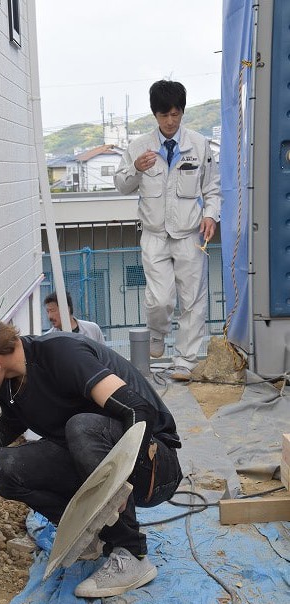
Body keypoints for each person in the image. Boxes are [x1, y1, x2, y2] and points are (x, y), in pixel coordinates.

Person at [0, 310, 182, 598]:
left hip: (155, 464)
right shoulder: (9, 383)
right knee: (5, 470)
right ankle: (91, 536)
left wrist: (117, 486)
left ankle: (132, 554)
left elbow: (139, 412)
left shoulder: (62, 355)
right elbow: (11, 423)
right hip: (98, 457)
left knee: (81, 427)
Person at [114, 80, 221, 381]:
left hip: (190, 234)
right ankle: (158, 335)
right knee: (160, 298)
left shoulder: (199, 145)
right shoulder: (138, 147)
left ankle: (184, 362)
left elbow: (212, 188)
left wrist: (211, 216)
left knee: (192, 300)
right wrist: (135, 167)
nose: (171, 121)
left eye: (176, 114)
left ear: (182, 112)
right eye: (164, 115)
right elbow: (122, 186)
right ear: (155, 115)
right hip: (154, 234)